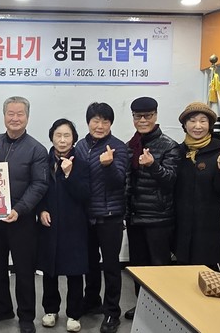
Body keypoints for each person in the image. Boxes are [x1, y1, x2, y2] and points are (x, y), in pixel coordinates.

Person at [0, 96, 48, 333]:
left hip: (21, 218)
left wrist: (20, 209)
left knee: (24, 270)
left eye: (20, 114)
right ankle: (2, 308)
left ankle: (26, 316)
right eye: (10, 114)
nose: (15, 118)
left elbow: (39, 184)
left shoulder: (37, 149)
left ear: (27, 117)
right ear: (4, 115)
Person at [123, 97, 181, 320]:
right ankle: (142, 306)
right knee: (138, 266)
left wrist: (153, 165)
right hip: (135, 217)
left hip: (159, 218)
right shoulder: (131, 145)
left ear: (155, 116)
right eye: (138, 116)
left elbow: (171, 180)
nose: (143, 120)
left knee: (159, 267)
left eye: (147, 116)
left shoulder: (169, 146)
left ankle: (163, 310)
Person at [76, 102, 128, 333]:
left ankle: (112, 312)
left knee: (111, 266)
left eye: (105, 121)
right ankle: (92, 301)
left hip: (110, 216)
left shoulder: (118, 147)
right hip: (86, 216)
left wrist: (107, 166)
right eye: (95, 120)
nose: (100, 125)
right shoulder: (80, 146)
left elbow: (119, 182)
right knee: (89, 263)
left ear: (111, 123)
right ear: (88, 122)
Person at [38, 119, 90, 333]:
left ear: (74, 138)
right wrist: (41, 210)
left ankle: (74, 314)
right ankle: (50, 310)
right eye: (58, 135)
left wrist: (69, 174)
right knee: (49, 270)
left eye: (67, 135)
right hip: (49, 223)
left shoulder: (82, 163)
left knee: (74, 271)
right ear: (52, 137)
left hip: (74, 224)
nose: (62, 140)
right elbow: (38, 189)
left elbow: (84, 194)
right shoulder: (43, 162)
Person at [175, 102, 220, 269]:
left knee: (206, 273)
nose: (198, 126)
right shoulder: (178, 151)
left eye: (203, 121)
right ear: (185, 125)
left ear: (210, 125)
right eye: (192, 121)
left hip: (207, 227)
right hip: (182, 225)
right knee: (180, 273)